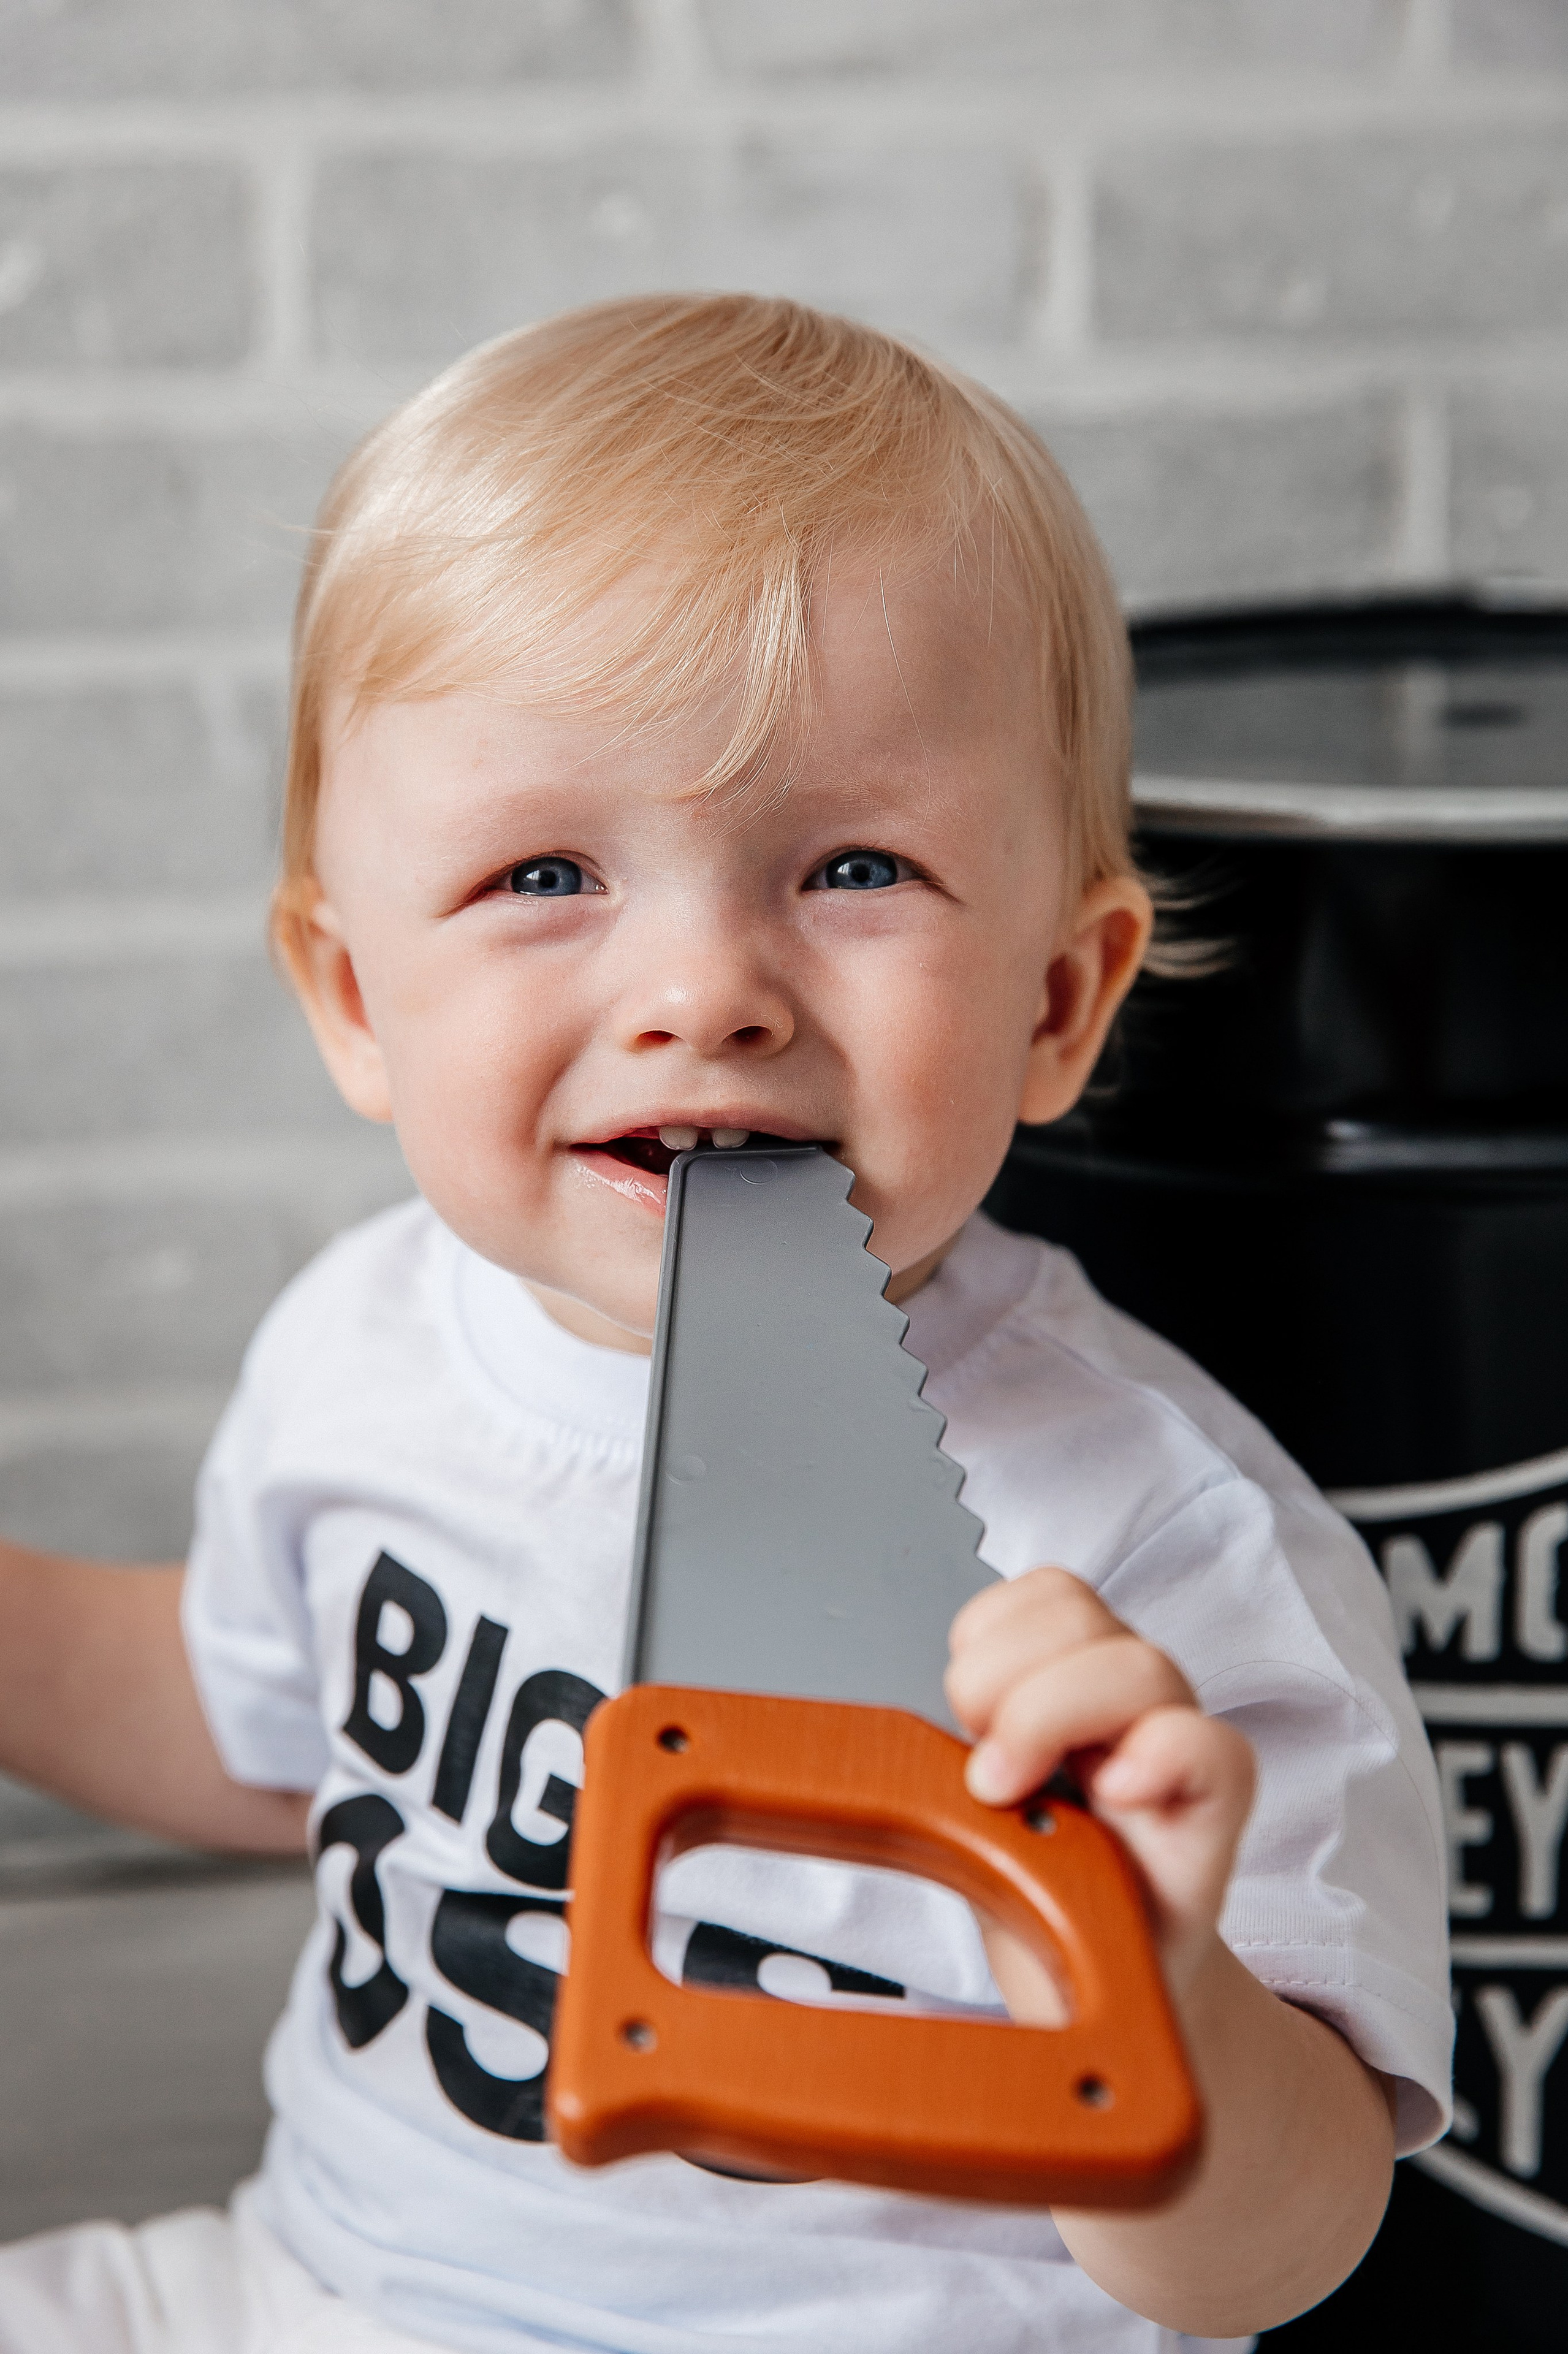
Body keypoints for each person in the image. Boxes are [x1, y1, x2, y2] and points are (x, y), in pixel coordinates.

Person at [0, 294, 1450, 2354]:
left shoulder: (1165, 1557)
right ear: (351, 998)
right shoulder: (360, 1343)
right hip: (311, 2291)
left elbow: (1284, 2251)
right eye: (545, 871)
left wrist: (1148, 1978)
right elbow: (253, 1714)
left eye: (856, 864)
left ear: (1059, 1001)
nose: (709, 988)